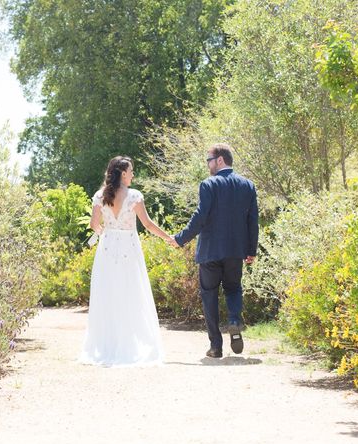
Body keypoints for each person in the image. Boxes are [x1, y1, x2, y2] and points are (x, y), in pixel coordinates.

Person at [79, 156, 175, 366]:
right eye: (131, 171)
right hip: (128, 249)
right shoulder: (134, 196)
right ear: (123, 173)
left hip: (107, 249)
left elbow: (94, 224)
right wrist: (168, 238)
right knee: (132, 293)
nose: (132, 175)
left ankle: (107, 345)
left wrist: (105, 230)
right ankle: (130, 344)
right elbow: (148, 224)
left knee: (108, 295)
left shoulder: (100, 195)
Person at [172, 143, 259, 358]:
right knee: (233, 288)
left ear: (220, 160)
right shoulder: (247, 185)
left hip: (210, 251)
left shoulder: (209, 185)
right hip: (235, 251)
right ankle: (234, 320)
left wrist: (180, 239)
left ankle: (216, 347)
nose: (208, 164)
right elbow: (252, 221)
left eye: (209, 160)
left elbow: (200, 217)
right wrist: (251, 250)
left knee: (209, 295)